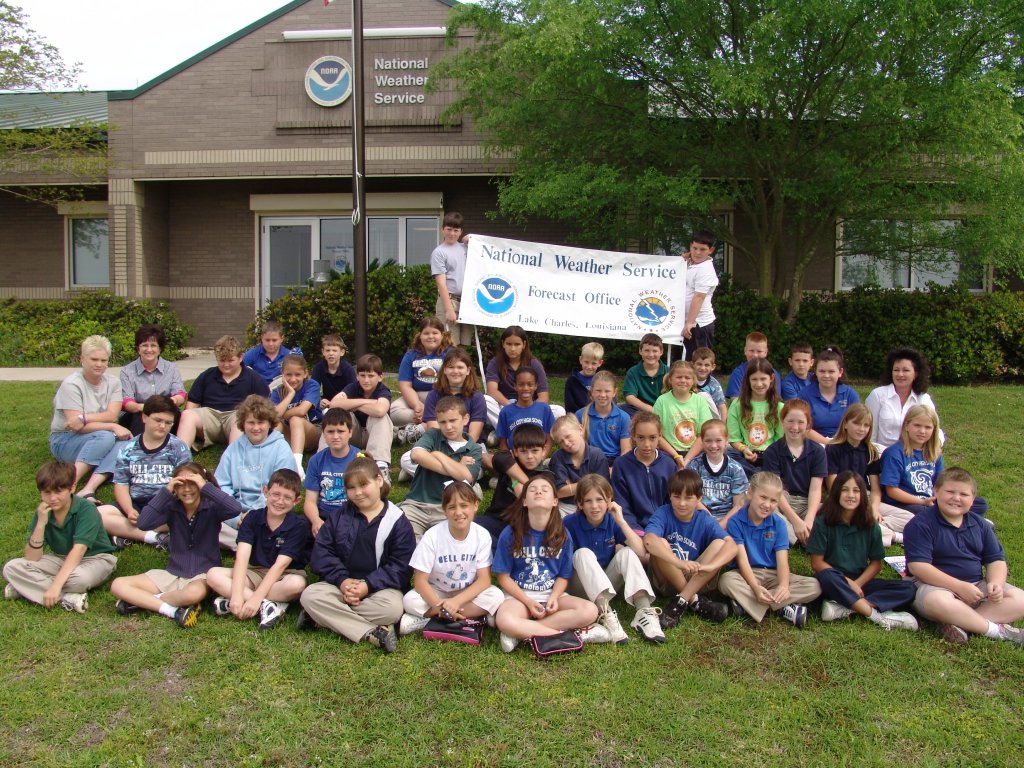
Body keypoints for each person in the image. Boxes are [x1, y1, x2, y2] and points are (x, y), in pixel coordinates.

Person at [297, 455, 415, 654]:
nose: (358, 493)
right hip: (340, 587)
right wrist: (343, 581)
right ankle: (372, 632)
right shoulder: (339, 517)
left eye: (363, 484)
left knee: (393, 609)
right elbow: (321, 554)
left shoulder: (397, 521)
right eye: (351, 488)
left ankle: (320, 618)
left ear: (379, 480)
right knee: (309, 595)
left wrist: (366, 586)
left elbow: (401, 567)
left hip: (379, 591)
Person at [109, 463, 243, 628]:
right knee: (118, 585)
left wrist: (205, 486)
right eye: (181, 484)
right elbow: (143, 523)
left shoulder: (212, 506)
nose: (187, 490)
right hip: (172, 573)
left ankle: (143, 602)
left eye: (192, 483)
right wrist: (166, 491)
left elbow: (235, 509)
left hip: (203, 574)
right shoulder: (172, 507)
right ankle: (171, 609)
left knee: (193, 594)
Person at [905, 467, 1024, 647]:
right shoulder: (921, 524)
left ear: (973, 499)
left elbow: (995, 560)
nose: (956, 498)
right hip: (935, 587)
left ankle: (961, 624)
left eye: (964, 494)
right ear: (935, 491)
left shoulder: (979, 524)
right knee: (937, 602)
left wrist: (996, 584)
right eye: (950, 492)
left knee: (1020, 599)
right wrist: (959, 587)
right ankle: (998, 631)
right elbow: (918, 567)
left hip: (976, 586)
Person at [493, 475, 605, 653]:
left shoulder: (562, 535)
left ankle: (521, 632)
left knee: (590, 610)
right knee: (504, 619)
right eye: (532, 489)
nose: (538, 491)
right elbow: (503, 577)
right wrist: (528, 602)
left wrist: (554, 597)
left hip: (551, 594)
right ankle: (569, 636)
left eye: (545, 490)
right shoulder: (511, 533)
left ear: (555, 501)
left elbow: (563, 576)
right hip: (520, 596)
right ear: (524, 502)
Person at [808, 471, 919, 630]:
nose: (850, 495)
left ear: (862, 495)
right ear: (836, 492)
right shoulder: (823, 522)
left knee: (908, 588)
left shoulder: (870, 525)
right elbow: (817, 563)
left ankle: (848, 607)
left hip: (860, 581)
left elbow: (876, 564)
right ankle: (876, 617)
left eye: (856, 490)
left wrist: (857, 583)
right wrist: (849, 584)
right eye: (845, 490)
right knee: (826, 575)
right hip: (833, 580)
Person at [3, 460, 117, 613]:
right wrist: (41, 524)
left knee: (79, 579)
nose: (52, 498)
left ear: (72, 488)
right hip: (60, 557)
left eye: (58, 492)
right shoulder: (43, 512)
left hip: (96, 559)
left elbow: (79, 550)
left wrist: (56, 585)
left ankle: (26, 587)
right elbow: (31, 557)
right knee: (12, 567)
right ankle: (67, 598)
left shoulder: (86, 509)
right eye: (47, 493)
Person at [206, 469, 310, 630]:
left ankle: (252, 602)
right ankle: (268, 607)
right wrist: (236, 595)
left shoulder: (299, 525)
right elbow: (241, 558)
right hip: (254, 572)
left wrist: (254, 598)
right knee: (213, 574)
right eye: (275, 494)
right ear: (265, 492)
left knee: (297, 585)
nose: (280, 501)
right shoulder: (252, 518)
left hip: (284, 575)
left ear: (297, 501)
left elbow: (280, 565)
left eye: (287, 497)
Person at [564, 474, 663, 643]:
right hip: (579, 586)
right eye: (588, 501)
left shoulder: (612, 520)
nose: (594, 506)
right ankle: (606, 614)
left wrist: (621, 521)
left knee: (627, 553)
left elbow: (640, 551)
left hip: (606, 584)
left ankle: (644, 612)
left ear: (609, 500)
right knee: (583, 553)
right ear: (580, 504)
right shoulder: (569, 523)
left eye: (600, 499)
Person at [398, 481, 505, 636]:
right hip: (437, 592)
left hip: (467, 592)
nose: (458, 512)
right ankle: (470, 616)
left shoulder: (482, 535)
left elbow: (484, 580)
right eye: (452, 507)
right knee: (410, 600)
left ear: (475, 505)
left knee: (495, 596)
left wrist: (455, 602)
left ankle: (431, 618)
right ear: (444, 511)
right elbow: (420, 581)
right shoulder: (432, 536)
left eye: (464, 505)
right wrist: (440, 605)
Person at [717, 472, 822, 627]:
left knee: (815, 585)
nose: (767, 505)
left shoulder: (778, 524)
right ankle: (782, 608)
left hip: (773, 574)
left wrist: (784, 586)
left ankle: (748, 604)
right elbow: (742, 560)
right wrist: (755, 587)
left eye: (773, 501)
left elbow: (782, 561)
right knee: (726, 581)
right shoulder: (735, 521)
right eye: (763, 497)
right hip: (746, 575)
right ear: (751, 493)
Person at [644, 469, 735, 629]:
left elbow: (732, 545)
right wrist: (678, 563)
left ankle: (681, 601)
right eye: (677, 497)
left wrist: (712, 566)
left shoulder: (704, 518)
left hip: (696, 576)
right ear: (670, 495)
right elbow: (649, 541)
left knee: (720, 543)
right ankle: (694, 601)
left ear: (699, 498)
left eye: (689, 498)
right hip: (667, 578)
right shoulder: (663, 513)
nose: (682, 503)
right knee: (661, 544)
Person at [98, 395, 191, 549]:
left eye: (168, 423)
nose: (162, 426)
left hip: (167, 504)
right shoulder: (128, 448)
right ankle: (154, 537)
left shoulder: (178, 448)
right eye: (158, 420)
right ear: (144, 417)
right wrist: (128, 510)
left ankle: (126, 532)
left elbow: (185, 484)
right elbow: (121, 484)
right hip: (136, 504)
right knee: (98, 514)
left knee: (187, 516)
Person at [48, 335, 132, 500]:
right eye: (94, 359)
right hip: (64, 439)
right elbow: (75, 426)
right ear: (82, 359)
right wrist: (112, 426)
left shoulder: (114, 383)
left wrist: (85, 418)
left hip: (96, 435)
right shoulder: (71, 385)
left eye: (104, 360)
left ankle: (89, 488)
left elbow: (113, 414)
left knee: (126, 445)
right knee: (106, 437)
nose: (99, 364)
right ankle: (70, 483)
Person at [215, 395, 298, 549]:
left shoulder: (281, 448)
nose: (256, 428)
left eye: (261, 422)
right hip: (235, 512)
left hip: (268, 510)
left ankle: (245, 541)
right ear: (243, 424)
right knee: (208, 517)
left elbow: (282, 490)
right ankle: (249, 541)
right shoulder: (234, 448)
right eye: (251, 422)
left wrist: (252, 515)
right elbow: (221, 484)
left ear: (270, 424)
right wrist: (235, 516)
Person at [879, 404, 986, 519]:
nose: (922, 431)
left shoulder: (935, 453)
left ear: (934, 429)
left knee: (979, 504)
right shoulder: (894, 453)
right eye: (917, 425)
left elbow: (940, 483)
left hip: (931, 499)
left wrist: (947, 498)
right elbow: (892, 491)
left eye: (928, 427)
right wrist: (921, 501)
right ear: (906, 426)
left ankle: (955, 517)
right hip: (905, 503)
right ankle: (963, 518)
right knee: (925, 512)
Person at [400, 397, 483, 540]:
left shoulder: (474, 448)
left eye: (453, 421)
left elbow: (467, 476)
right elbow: (417, 454)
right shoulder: (433, 435)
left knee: (446, 544)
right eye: (443, 422)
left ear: (465, 419)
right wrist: (456, 468)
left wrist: (437, 454)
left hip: (446, 509)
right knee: (406, 539)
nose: (448, 426)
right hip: (416, 505)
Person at [825, 404, 907, 546]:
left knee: (908, 518)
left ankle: (871, 527)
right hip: (843, 498)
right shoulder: (833, 448)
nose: (861, 429)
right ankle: (890, 535)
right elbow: (832, 485)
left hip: (865, 497)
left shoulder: (871, 451)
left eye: (866, 425)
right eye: (856, 423)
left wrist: (873, 509)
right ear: (845, 424)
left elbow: (875, 489)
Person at [176, 335, 271, 451]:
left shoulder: (254, 378)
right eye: (222, 360)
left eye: (231, 360)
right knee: (187, 415)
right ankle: (180, 456)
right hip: (210, 417)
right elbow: (192, 404)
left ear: (241, 357)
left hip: (236, 418)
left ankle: (233, 458)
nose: (226, 365)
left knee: (240, 417)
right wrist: (188, 421)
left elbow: (266, 407)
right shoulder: (207, 376)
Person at [762, 399, 827, 546]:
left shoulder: (818, 451)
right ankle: (800, 538)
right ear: (782, 421)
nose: (795, 427)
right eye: (790, 421)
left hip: (807, 503)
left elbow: (816, 489)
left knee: (833, 511)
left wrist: (809, 520)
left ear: (808, 424)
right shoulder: (772, 452)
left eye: (801, 422)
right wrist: (796, 521)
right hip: (782, 501)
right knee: (767, 509)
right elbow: (776, 491)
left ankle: (802, 533)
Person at [480, 424, 552, 543]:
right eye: (523, 451)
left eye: (535, 451)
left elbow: (526, 498)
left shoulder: (546, 476)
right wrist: (528, 483)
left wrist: (514, 479)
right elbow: (497, 457)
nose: (529, 456)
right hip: (495, 519)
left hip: (523, 526)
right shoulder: (507, 460)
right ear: (515, 452)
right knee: (475, 527)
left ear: (543, 450)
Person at [323, 353, 394, 473]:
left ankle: (380, 465)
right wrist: (365, 402)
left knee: (381, 417)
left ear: (380, 377)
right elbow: (334, 404)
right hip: (353, 434)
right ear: (357, 376)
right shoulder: (353, 387)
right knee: (339, 415)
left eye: (371, 376)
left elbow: (380, 410)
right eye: (362, 375)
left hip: (375, 436)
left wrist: (351, 404)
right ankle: (324, 459)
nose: (366, 380)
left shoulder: (383, 390)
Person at [865, 347, 944, 451]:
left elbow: (934, 431)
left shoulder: (923, 399)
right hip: (881, 454)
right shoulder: (877, 396)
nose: (900, 374)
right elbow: (870, 433)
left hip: (912, 456)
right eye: (896, 370)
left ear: (915, 374)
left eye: (906, 370)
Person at [484, 326, 562, 428]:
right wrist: (512, 407)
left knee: (560, 412)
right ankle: (515, 428)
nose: (513, 348)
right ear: (503, 343)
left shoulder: (534, 364)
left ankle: (508, 429)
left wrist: (529, 409)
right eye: (509, 344)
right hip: (505, 406)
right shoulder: (495, 363)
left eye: (517, 344)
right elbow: (492, 390)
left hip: (530, 406)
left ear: (524, 345)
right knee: (485, 400)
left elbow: (543, 396)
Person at [611, 412, 676, 532]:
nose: (647, 444)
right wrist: (637, 531)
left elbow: (672, 502)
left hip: (664, 529)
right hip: (632, 530)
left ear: (660, 436)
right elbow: (622, 505)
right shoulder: (621, 465)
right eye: (641, 437)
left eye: (652, 438)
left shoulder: (669, 464)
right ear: (633, 436)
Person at [118, 323, 186, 435]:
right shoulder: (126, 371)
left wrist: (172, 401)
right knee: (141, 419)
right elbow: (127, 402)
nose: (149, 349)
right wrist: (149, 408)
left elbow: (181, 394)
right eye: (144, 345)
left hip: (166, 409)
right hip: (139, 412)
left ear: (159, 349)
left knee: (179, 418)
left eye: (153, 345)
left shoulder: (171, 368)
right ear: (138, 349)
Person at [391, 316, 451, 438]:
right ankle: (431, 423)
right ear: (420, 335)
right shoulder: (410, 355)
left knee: (452, 411)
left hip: (442, 397)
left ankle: (419, 428)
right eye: (426, 333)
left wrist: (429, 409)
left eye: (435, 333)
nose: (431, 336)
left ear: (443, 335)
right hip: (417, 396)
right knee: (393, 410)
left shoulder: (450, 353)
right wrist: (417, 406)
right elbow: (405, 385)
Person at [303, 409, 358, 537]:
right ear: (324, 434)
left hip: (351, 514)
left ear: (350, 432)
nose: (335, 436)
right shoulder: (316, 460)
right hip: (324, 514)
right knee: (300, 526)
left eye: (341, 431)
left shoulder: (359, 458)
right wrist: (316, 520)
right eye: (330, 431)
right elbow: (310, 501)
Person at [653, 360, 716, 470]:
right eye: (679, 377)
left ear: (693, 381)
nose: (683, 380)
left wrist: (687, 460)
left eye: (687, 378)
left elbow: (704, 434)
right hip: (668, 452)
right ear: (670, 379)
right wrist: (676, 456)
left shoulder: (700, 401)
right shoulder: (662, 401)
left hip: (695, 452)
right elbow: (657, 434)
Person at [726, 358, 784, 477]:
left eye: (763, 379)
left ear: (771, 378)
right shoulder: (737, 405)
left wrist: (769, 452)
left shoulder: (779, 407)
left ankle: (755, 477)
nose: (759, 384)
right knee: (726, 455)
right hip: (745, 453)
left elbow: (781, 439)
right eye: (754, 379)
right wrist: (744, 449)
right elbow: (734, 438)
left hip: (770, 454)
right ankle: (761, 476)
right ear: (748, 380)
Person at [687, 419, 748, 527]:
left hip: (728, 520)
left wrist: (722, 525)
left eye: (718, 440)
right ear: (701, 441)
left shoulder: (735, 469)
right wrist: (710, 523)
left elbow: (739, 505)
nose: (713, 445)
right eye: (708, 441)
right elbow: (692, 497)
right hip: (700, 517)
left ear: (726, 440)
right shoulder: (694, 466)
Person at [271, 353, 322, 478]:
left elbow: (301, 411)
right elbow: (274, 417)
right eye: (288, 374)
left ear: (305, 374)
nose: (293, 379)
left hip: (313, 432)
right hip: (291, 435)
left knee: (295, 419)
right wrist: (290, 394)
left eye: (297, 375)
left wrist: (282, 415)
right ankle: (271, 460)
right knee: (275, 424)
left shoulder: (311, 385)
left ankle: (297, 465)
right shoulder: (277, 391)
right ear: (282, 373)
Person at [549, 413, 609, 517]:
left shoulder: (597, 455)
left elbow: (602, 488)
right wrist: (591, 482)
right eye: (561, 442)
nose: (566, 443)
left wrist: (570, 487)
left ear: (580, 429)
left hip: (593, 504)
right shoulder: (558, 457)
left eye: (568, 436)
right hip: (566, 506)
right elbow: (559, 492)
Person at [803, 346, 861, 445]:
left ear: (840, 372)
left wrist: (839, 444)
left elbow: (858, 425)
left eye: (831, 371)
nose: (826, 375)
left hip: (845, 444)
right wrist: (828, 443)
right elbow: (803, 427)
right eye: (822, 371)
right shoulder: (805, 394)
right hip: (814, 445)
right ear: (815, 372)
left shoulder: (850, 395)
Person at [431, 211, 472, 347]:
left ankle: (461, 369)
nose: (452, 233)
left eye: (456, 230)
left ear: (460, 232)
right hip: (449, 301)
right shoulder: (439, 252)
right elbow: (441, 284)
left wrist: (470, 238)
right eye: (449, 229)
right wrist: (448, 309)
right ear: (442, 229)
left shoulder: (465, 248)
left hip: (466, 302)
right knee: (449, 345)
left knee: (464, 345)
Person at [576, 370, 631, 465]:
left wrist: (615, 469)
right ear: (592, 391)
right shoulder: (580, 415)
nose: (602, 395)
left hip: (614, 462)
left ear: (614, 392)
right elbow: (577, 447)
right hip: (589, 461)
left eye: (607, 391)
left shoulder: (623, 417)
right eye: (598, 391)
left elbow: (625, 451)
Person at [494, 366, 554, 452]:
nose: (525, 388)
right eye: (521, 384)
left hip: (537, 457)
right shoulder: (506, 412)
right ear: (515, 386)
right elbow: (503, 443)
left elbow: (549, 440)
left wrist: (542, 456)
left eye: (530, 384)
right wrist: (510, 461)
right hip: (515, 458)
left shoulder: (544, 409)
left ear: (536, 386)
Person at [680, 230, 719, 359]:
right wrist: (685, 257)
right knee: (683, 363)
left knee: (699, 363)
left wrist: (689, 323)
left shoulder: (706, 270)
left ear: (711, 250)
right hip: (684, 322)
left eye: (702, 249)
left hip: (698, 325)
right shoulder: (691, 262)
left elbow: (699, 297)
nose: (697, 252)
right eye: (694, 248)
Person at [242, 319, 302, 386]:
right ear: (262, 338)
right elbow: (238, 367)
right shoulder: (253, 353)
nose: (270, 344)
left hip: (281, 391)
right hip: (258, 391)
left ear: (282, 339)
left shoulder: (289, 355)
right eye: (267, 340)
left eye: (274, 340)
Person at [724, 331, 782, 399]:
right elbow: (735, 400)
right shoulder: (738, 373)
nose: (755, 355)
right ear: (745, 350)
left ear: (766, 352)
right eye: (751, 351)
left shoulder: (773, 373)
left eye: (759, 351)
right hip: (745, 408)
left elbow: (776, 399)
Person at [621, 333, 668, 417]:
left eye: (654, 351)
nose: (650, 354)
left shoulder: (669, 372)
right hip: (641, 409)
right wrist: (651, 410)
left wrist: (660, 411)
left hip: (664, 409)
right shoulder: (633, 372)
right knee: (622, 409)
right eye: (647, 350)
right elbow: (629, 397)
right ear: (640, 351)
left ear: (661, 352)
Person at [311, 333, 356, 410]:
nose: (331, 353)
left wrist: (334, 403)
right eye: (328, 350)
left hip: (344, 404)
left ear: (342, 352)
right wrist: (320, 400)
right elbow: (312, 389)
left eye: (334, 350)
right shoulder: (318, 368)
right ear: (323, 352)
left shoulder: (348, 369)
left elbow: (353, 393)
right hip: (325, 403)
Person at [564, 341, 605, 415]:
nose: (589, 367)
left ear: (600, 363)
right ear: (580, 360)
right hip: (578, 418)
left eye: (594, 363)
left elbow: (609, 403)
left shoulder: (604, 380)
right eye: (586, 362)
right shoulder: (572, 380)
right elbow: (570, 407)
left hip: (600, 417)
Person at [691, 347, 728, 421]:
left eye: (707, 365)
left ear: (713, 367)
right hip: (691, 413)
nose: (702, 368)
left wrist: (723, 426)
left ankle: (716, 426)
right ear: (692, 365)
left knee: (702, 395)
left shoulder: (714, 384)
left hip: (710, 417)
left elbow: (722, 407)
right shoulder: (688, 380)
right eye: (699, 364)